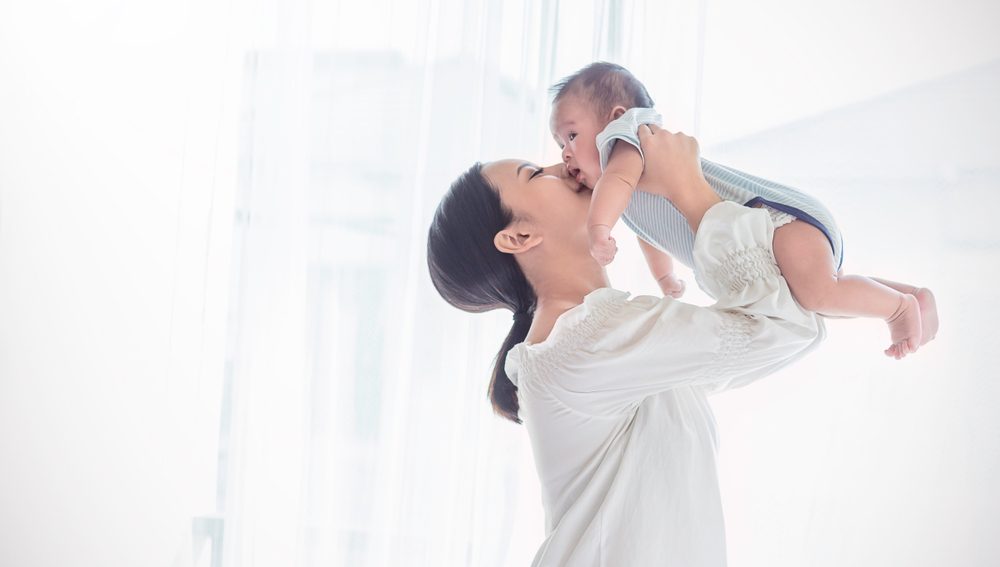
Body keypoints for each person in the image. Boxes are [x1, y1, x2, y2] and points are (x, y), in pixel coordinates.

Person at [427, 125, 824, 566]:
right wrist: (687, 190)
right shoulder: (588, 340)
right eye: (536, 174)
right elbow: (787, 328)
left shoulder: (599, 338)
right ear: (519, 238)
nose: (564, 166)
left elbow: (787, 329)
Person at [549, 62, 938, 359]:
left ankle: (897, 310)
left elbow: (615, 184)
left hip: (773, 220)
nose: (565, 152)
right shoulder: (628, 189)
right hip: (766, 237)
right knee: (816, 299)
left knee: (821, 293)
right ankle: (911, 296)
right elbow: (649, 234)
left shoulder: (630, 137)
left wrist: (598, 227)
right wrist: (665, 276)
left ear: (616, 116)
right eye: (558, 143)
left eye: (570, 134)